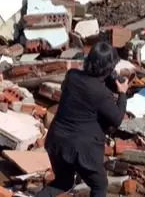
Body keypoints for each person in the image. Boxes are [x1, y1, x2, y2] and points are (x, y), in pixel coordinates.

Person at [36, 42, 129, 197]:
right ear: (108, 69)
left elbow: (82, 91)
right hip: (82, 150)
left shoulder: (72, 76)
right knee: (100, 185)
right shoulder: (101, 94)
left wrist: (105, 80)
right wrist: (122, 94)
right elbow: (116, 119)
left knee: (63, 182)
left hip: (56, 142)